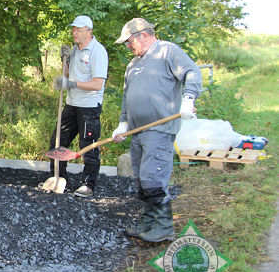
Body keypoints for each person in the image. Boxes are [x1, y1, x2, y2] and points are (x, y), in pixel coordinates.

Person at [112, 18, 201, 243]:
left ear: (144, 35)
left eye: (129, 41)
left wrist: (189, 99)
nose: (127, 46)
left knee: (153, 177)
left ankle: (164, 227)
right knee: (142, 179)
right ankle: (148, 222)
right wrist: (123, 123)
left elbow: (192, 72)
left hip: (159, 129)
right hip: (136, 131)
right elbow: (127, 97)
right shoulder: (133, 64)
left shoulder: (167, 51)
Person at [50, 15, 109, 198]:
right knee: (58, 140)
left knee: (88, 146)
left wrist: (72, 84)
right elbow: (67, 74)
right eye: (73, 29)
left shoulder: (97, 52)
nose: (74, 32)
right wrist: (65, 60)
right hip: (71, 103)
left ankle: (88, 184)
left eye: (78, 29)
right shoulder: (75, 49)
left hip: (89, 106)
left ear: (88, 31)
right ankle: (59, 178)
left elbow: (97, 84)